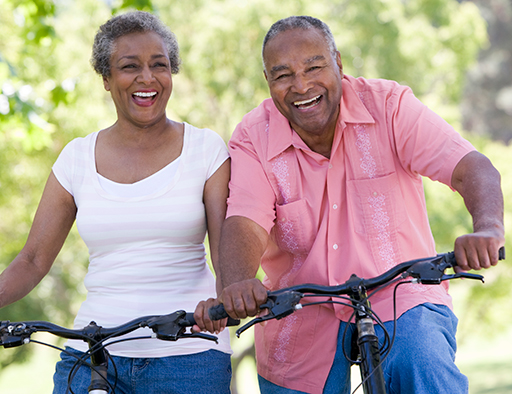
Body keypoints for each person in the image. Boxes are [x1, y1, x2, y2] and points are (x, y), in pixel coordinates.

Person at [195, 15, 505, 394]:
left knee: (421, 357)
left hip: (399, 293)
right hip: (299, 306)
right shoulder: (253, 135)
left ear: (338, 63)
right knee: (287, 376)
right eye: (283, 75)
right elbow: (245, 220)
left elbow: (469, 167)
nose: (302, 85)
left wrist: (487, 227)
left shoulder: (388, 106)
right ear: (268, 82)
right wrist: (239, 282)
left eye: (314, 66)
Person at [0, 11, 232, 394]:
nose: (147, 78)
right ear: (106, 78)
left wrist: (224, 300)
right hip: (94, 350)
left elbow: (226, 253)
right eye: (129, 66)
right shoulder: (77, 157)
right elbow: (34, 257)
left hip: (190, 351)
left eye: (159, 65)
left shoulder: (206, 149)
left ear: (172, 73)